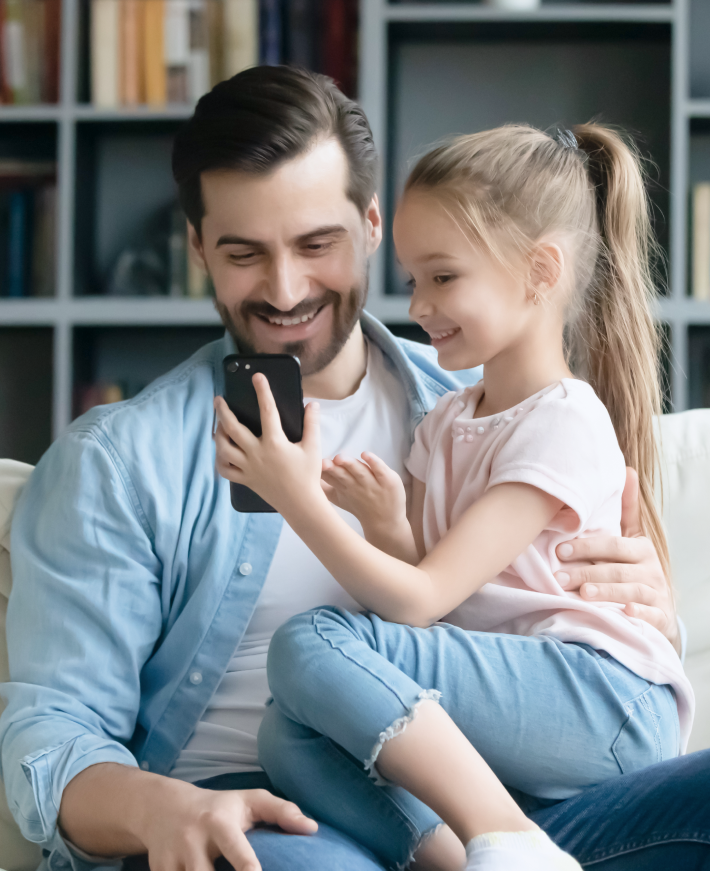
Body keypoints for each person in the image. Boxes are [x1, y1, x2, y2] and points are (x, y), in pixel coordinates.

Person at [0, 66, 703, 871]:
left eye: (316, 244)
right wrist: (166, 809)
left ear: (374, 225)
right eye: (243, 253)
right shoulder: (120, 462)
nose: (285, 288)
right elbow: (51, 734)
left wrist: (648, 600)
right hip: (275, 805)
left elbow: (567, 661)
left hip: (518, 807)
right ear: (197, 247)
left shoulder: (487, 410)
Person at [211, 122, 692, 871]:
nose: (419, 304)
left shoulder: (562, 421)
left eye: (443, 276)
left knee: (309, 644)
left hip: (601, 702)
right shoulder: (446, 421)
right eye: (411, 279)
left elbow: (421, 601)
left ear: (540, 272)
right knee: (288, 731)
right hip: (515, 702)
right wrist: (387, 527)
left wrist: (296, 497)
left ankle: (513, 838)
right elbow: (444, 586)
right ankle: (456, 859)